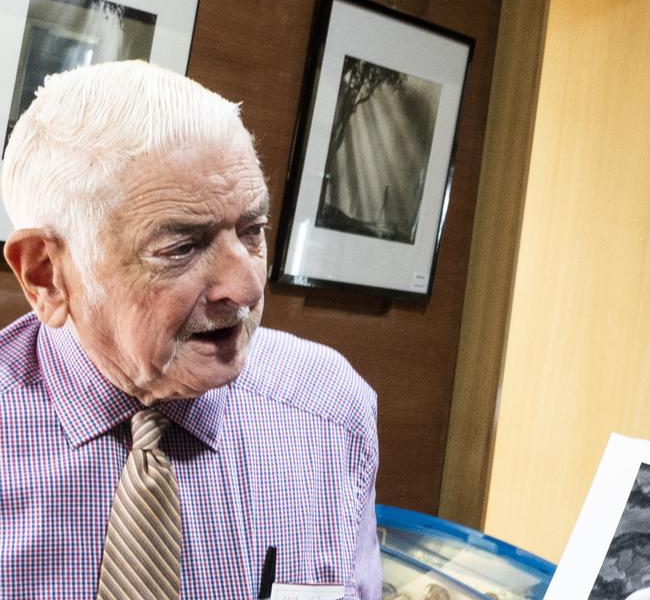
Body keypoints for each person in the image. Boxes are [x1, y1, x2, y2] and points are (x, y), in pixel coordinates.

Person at [0, 61, 380, 597]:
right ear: (46, 276)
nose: (246, 289)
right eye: (181, 248)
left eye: (252, 231)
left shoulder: (328, 407)